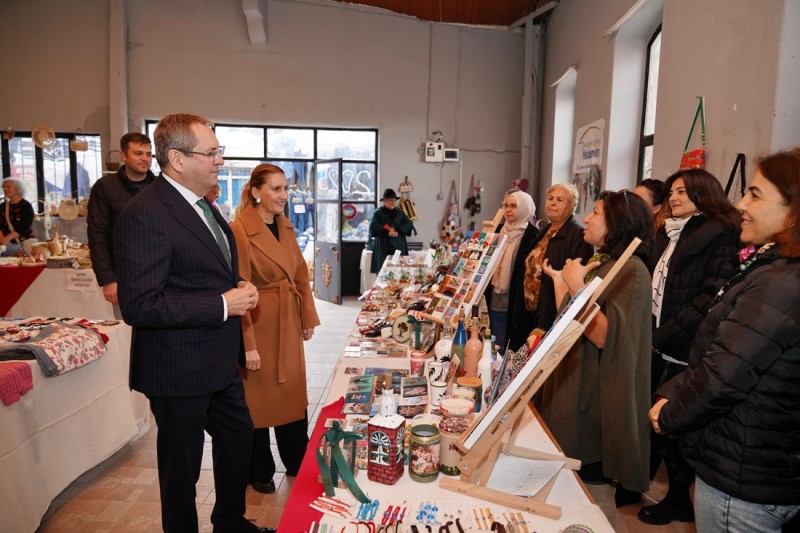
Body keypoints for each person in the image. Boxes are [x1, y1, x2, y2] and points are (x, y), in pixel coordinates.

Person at [113, 113, 270, 533]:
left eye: (220, 151)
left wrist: (235, 286)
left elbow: (202, 270)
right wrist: (221, 304)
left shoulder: (203, 205)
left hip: (218, 359)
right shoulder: (146, 213)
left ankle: (230, 521)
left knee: (238, 436)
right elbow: (140, 305)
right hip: (177, 366)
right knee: (181, 468)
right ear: (178, 159)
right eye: (212, 152)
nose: (221, 160)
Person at [650, 149, 800, 533]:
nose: (742, 204)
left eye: (755, 194)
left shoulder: (780, 283)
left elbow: (724, 372)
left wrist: (670, 415)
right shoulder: (774, 269)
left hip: (744, 475)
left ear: (793, 212)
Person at [540, 190, 653, 526]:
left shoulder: (632, 269)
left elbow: (607, 337)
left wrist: (577, 287)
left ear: (618, 223)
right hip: (573, 387)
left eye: (596, 213)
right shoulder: (604, 263)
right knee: (570, 489)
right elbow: (573, 317)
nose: (586, 219)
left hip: (593, 400)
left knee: (593, 497)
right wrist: (563, 283)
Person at [636, 169, 741, 522]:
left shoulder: (720, 234)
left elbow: (708, 299)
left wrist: (662, 335)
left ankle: (679, 499)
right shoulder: (670, 231)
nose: (674, 197)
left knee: (678, 425)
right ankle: (663, 491)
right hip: (661, 340)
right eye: (671, 192)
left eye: (682, 191)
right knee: (659, 421)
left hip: (687, 346)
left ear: (703, 193)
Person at [230, 164, 320, 494]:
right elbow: (239, 290)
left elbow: (300, 276)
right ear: (256, 192)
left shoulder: (286, 225)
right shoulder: (239, 229)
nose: (284, 195)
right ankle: (258, 467)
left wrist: (306, 317)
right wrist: (247, 344)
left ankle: (297, 457)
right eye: (276, 189)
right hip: (258, 321)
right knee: (257, 400)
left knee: (291, 392)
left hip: (287, 319)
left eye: (285, 189)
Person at [506, 183, 593, 351]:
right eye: (550, 198)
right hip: (529, 311)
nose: (552, 203)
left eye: (560, 200)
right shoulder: (544, 231)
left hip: (551, 311)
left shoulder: (578, 236)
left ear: (571, 206)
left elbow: (578, 278)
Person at [87, 132, 157, 305]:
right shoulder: (105, 187)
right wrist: (108, 279)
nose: (145, 159)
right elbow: (98, 235)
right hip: (124, 276)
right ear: (123, 156)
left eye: (148, 154)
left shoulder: (159, 187)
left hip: (159, 275)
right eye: (138, 153)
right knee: (124, 322)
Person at [486, 190, 537, 351]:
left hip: (516, 303)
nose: (508, 210)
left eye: (513, 206)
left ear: (524, 208)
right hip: (494, 298)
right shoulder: (498, 231)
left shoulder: (534, 236)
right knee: (493, 344)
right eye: (506, 205)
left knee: (511, 347)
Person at [369, 188, 415, 273]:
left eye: (394, 200)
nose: (393, 202)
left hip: (398, 245)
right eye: (391, 200)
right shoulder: (378, 213)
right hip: (383, 246)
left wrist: (398, 231)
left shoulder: (400, 212)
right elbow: (373, 226)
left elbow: (408, 223)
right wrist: (387, 232)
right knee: (383, 270)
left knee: (399, 270)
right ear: (385, 201)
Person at [1, 178, 35, 256]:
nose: (5, 189)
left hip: (25, 244)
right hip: (6, 246)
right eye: (4, 187)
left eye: (8, 187)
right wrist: (2, 240)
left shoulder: (26, 206)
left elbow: (23, 226)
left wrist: (7, 239)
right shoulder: (2, 206)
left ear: (18, 189)